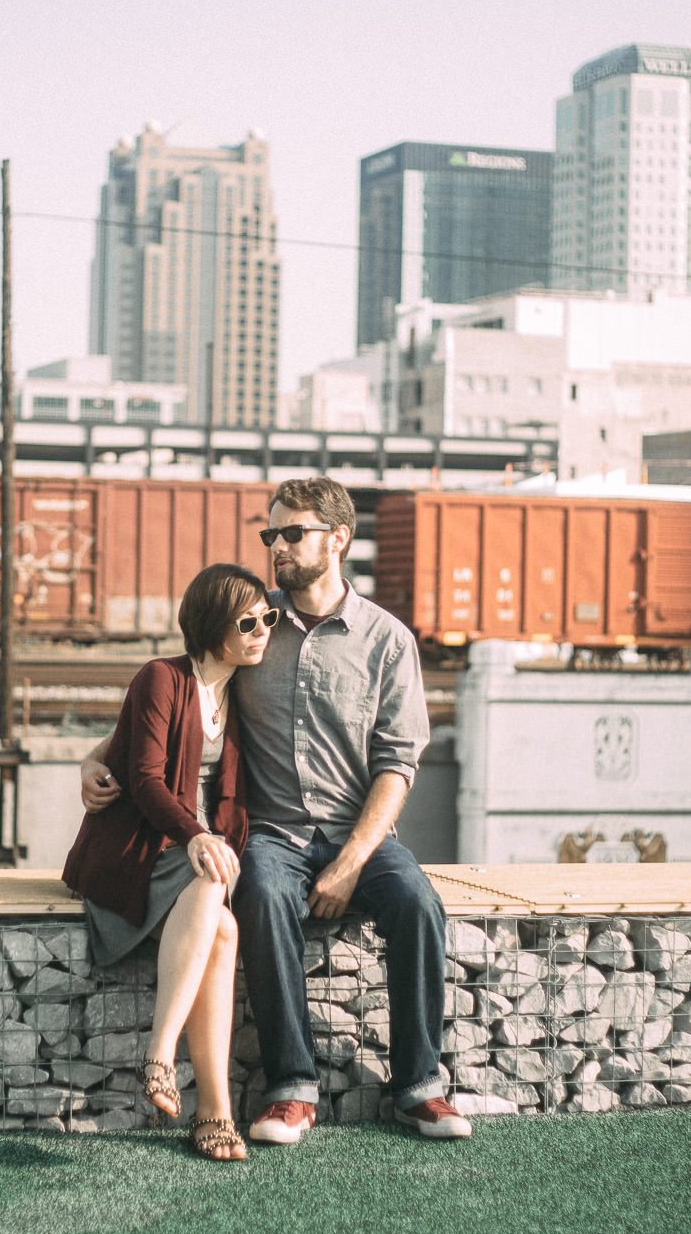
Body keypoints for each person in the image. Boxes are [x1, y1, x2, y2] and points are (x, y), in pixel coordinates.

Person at [82, 477, 472, 1144]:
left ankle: (419, 1087)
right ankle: (290, 1088)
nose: (277, 547)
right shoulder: (252, 624)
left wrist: (351, 862)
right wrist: (96, 758)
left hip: (362, 833)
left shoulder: (389, 641)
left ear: (338, 538)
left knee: (418, 903)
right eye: (271, 535)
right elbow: (179, 686)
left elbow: (397, 767)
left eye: (292, 533)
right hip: (272, 833)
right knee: (259, 892)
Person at [61, 561, 275, 1161]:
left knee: (225, 928)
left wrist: (91, 755)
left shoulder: (241, 692)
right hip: (136, 858)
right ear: (213, 627)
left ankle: (214, 1110)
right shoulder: (162, 677)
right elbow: (146, 777)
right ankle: (163, 1055)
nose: (264, 631)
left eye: (269, 618)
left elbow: (117, 739)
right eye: (250, 621)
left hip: (190, 859)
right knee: (214, 881)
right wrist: (196, 837)